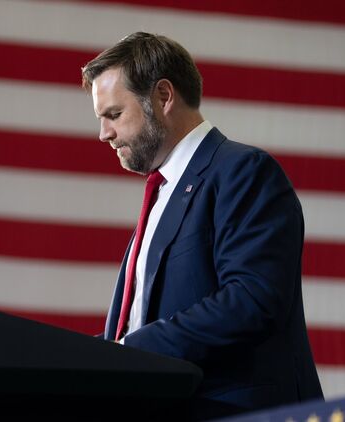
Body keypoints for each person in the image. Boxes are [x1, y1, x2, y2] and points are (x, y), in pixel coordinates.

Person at [82, 32, 323, 419]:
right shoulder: (163, 193)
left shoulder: (242, 171)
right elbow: (141, 323)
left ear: (163, 96)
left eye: (114, 114)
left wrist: (129, 351)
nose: (103, 134)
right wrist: (81, 356)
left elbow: (252, 299)